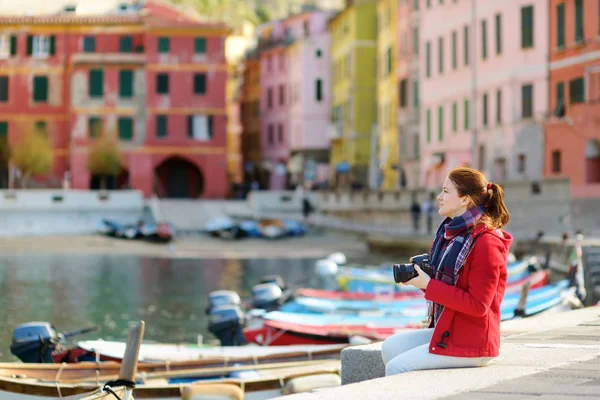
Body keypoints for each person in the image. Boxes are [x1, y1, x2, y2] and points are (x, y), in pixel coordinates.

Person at [381, 167, 512, 375]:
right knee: (390, 347)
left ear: (465, 200)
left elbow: (478, 305)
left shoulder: (486, 242)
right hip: (451, 328)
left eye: (446, 191)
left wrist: (429, 285)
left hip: (474, 340)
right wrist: (422, 281)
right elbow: (448, 290)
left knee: (398, 367)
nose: (439, 197)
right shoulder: (449, 236)